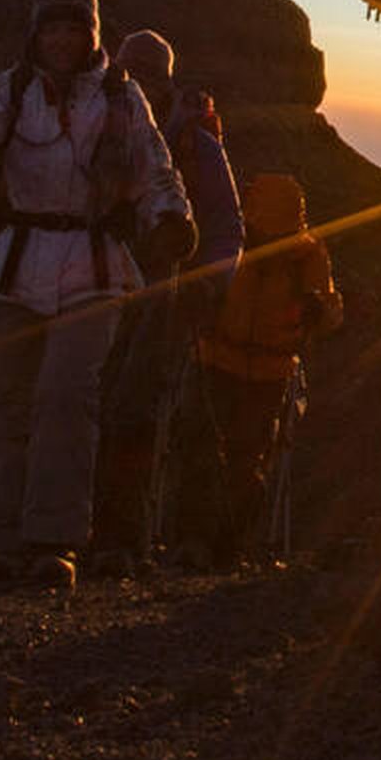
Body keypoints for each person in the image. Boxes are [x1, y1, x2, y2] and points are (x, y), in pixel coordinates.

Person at [0, 0, 194, 587]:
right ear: (36, 34)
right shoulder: (10, 91)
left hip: (89, 268)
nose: (63, 40)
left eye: (74, 28)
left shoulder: (122, 97)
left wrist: (171, 219)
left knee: (66, 400)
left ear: (91, 33)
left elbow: (156, 170)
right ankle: (2, 543)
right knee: (10, 402)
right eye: (53, 29)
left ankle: (54, 541)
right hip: (14, 266)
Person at [85, 28, 243, 577]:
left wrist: (207, 283)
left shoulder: (195, 145)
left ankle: (119, 542)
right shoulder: (102, 123)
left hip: (166, 296)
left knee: (134, 413)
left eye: (150, 74)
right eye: (132, 72)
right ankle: (92, 534)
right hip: (98, 287)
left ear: (166, 81)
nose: (140, 83)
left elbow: (225, 226)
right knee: (96, 407)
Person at [177, 172, 339, 567]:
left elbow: (331, 312)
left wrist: (320, 311)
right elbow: (331, 314)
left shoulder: (255, 247)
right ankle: (211, 544)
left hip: (252, 367)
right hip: (236, 362)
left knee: (231, 457)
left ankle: (218, 545)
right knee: (227, 456)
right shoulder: (295, 254)